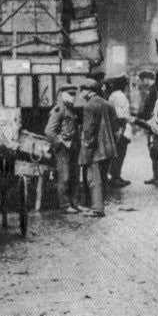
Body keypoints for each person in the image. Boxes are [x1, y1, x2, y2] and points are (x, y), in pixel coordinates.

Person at [77, 78, 118, 217]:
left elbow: (88, 131)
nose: (80, 93)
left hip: (96, 150)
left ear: (88, 91)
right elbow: (115, 128)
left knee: (93, 179)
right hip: (108, 149)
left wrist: (86, 153)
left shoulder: (89, 106)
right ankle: (100, 205)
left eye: (82, 90)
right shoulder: (107, 104)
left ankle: (97, 209)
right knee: (103, 178)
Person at [45, 84, 81, 213]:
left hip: (73, 147)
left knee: (75, 176)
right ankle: (65, 205)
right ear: (63, 95)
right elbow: (49, 131)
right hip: (63, 149)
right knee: (64, 177)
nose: (72, 97)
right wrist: (59, 142)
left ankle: (75, 203)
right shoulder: (59, 110)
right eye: (70, 95)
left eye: (74, 95)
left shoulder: (71, 109)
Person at [106, 74, 133, 189]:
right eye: (125, 84)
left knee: (120, 154)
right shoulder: (119, 96)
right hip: (120, 128)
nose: (127, 87)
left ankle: (117, 176)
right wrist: (121, 130)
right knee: (119, 154)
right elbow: (120, 115)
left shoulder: (116, 95)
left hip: (120, 126)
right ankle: (115, 178)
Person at [136, 70, 158, 186]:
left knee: (154, 150)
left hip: (154, 122)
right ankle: (157, 176)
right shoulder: (157, 87)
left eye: (142, 80)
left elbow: (148, 108)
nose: (142, 83)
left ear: (146, 79)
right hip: (156, 120)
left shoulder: (153, 89)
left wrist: (138, 115)